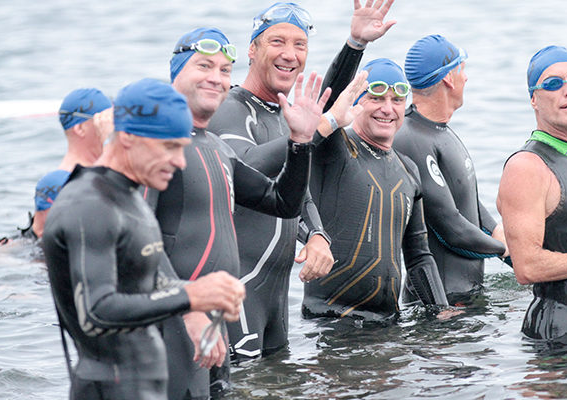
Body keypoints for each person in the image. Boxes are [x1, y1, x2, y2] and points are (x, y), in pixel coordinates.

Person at [145, 27, 330, 399]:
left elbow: (282, 203)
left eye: (224, 70)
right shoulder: (154, 145)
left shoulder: (215, 147)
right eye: (204, 66)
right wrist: (187, 308)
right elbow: (141, 243)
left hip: (210, 323)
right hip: (173, 323)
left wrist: (299, 143)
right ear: (176, 72)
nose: (216, 78)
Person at [207, 0, 395, 360]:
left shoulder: (283, 117)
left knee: (282, 382)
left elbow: (294, 190)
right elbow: (244, 168)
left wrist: (316, 234)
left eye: (300, 45)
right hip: (237, 294)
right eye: (277, 42)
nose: (289, 54)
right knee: (242, 384)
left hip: (274, 302)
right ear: (252, 49)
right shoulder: (231, 109)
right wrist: (323, 126)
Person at [41, 78, 245, 400]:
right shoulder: (88, 205)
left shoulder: (128, 196)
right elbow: (96, 311)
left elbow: (147, 282)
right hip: (107, 389)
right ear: (128, 138)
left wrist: (208, 295)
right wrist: (190, 296)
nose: (180, 161)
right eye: (169, 147)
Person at [303, 58, 449, 321]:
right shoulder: (337, 149)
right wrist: (356, 44)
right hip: (331, 321)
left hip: (388, 323)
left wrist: (441, 310)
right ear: (355, 102)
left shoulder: (408, 170)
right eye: (376, 99)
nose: (387, 109)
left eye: (397, 100)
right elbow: (330, 102)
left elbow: (418, 257)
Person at [496, 45, 567, 340]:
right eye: (554, 83)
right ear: (534, 99)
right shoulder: (527, 167)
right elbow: (526, 267)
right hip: (558, 337)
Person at [394, 34, 506, 305]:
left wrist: (496, 231)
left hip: (465, 295)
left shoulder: (438, 130)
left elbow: (463, 194)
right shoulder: (411, 138)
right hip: (440, 305)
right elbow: (450, 228)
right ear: (448, 79)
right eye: (462, 70)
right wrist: (507, 251)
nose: (466, 78)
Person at [31, 88, 113, 238]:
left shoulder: (108, 173)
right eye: (102, 121)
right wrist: (109, 140)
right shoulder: (57, 183)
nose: (111, 127)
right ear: (80, 128)